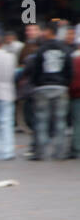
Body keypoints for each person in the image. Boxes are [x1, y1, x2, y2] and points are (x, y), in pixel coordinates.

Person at [31, 20, 73, 161]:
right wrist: (65, 83)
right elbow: (69, 70)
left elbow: (35, 70)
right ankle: (59, 153)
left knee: (41, 121)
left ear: (49, 32)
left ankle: (41, 153)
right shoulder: (65, 49)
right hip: (60, 87)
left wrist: (37, 83)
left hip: (43, 87)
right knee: (60, 122)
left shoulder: (41, 49)